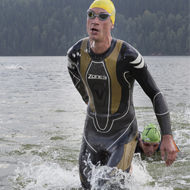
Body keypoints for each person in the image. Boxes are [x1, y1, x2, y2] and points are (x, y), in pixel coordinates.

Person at [67, 0, 177, 188]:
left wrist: (167, 136)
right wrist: (87, 98)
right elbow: (74, 74)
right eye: (91, 15)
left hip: (122, 135)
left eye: (102, 17)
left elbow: (155, 93)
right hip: (91, 135)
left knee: (108, 185)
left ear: (112, 23)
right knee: (87, 187)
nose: (95, 21)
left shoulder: (128, 56)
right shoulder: (76, 53)